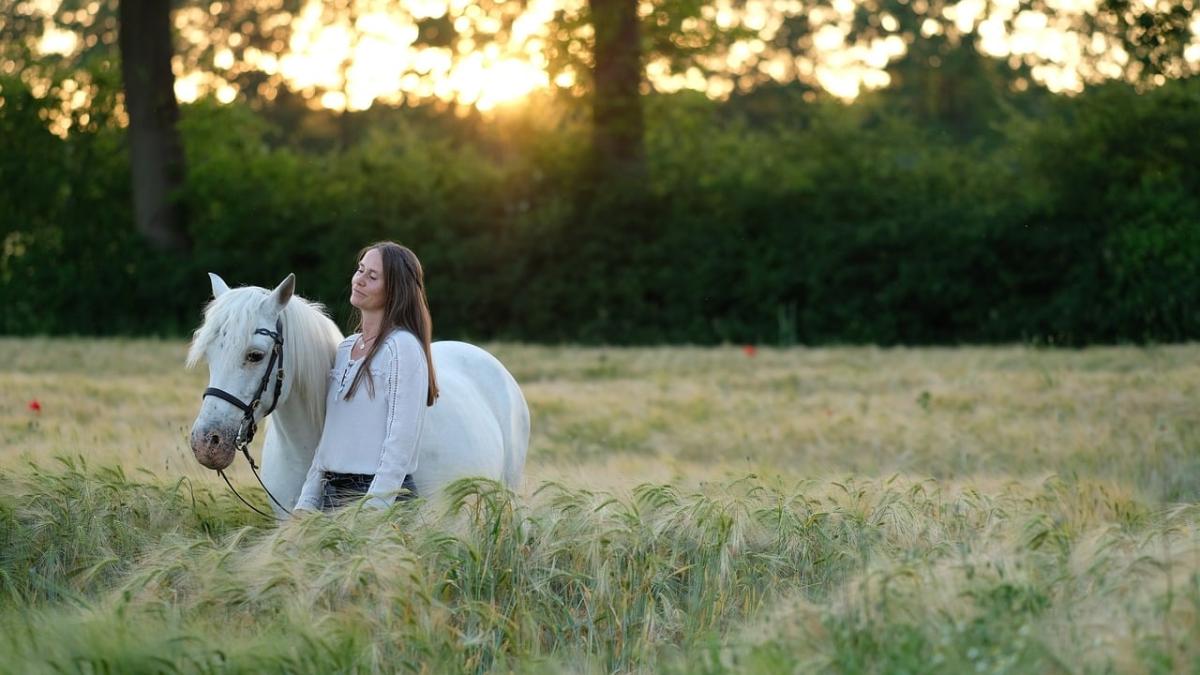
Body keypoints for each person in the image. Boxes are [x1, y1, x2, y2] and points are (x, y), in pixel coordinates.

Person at [294, 241, 439, 512]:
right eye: (360, 270)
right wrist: (306, 502)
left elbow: (400, 442)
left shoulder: (402, 348)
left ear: (395, 290)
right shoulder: (345, 347)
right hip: (331, 497)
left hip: (380, 498)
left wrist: (373, 510)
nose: (359, 280)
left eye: (372, 276)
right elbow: (330, 438)